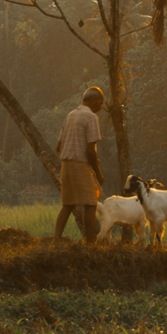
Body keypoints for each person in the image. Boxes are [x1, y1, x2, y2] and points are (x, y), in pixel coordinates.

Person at [53, 86, 105, 243]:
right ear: (94, 100)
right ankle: (91, 244)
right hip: (80, 164)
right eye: (101, 103)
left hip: (66, 165)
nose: (101, 107)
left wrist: (75, 145)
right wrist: (98, 172)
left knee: (68, 204)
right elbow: (90, 151)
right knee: (90, 204)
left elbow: (58, 147)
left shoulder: (70, 115)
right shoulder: (91, 117)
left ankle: (55, 240)